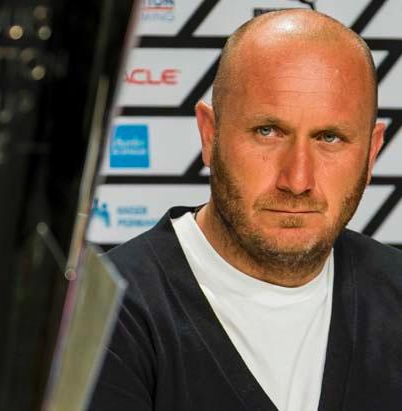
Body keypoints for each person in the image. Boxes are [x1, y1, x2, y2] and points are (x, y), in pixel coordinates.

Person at [88, 9, 402, 411]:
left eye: (330, 138)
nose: (297, 179)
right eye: (267, 132)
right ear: (209, 133)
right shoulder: (108, 315)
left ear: (372, 152)